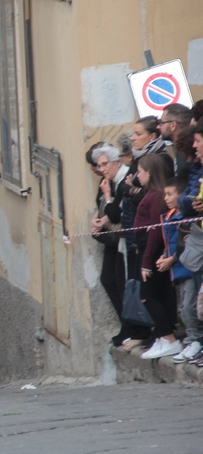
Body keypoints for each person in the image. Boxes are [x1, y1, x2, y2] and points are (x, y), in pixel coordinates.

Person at [90, 144, 142, 346]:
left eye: (104, 164)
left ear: (117, 161)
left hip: (123, 238)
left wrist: (108, 200)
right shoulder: (107, 180)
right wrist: (96, 220)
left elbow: (115, 212)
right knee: (110, 280)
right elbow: (101, 205)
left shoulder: (122, 180)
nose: (101, 169)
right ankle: (127, 325)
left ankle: (134, 327)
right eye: (99, 165)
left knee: (124, 282)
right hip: (112, 238)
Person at [134, 154, 180, 359]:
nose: (137, 175)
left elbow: (154, 231)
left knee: (147, 296)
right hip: (150, 251)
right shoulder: (153, 194)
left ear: (149, 172)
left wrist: (145, 262)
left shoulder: (154, 196)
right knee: (159, 295)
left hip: (150, 252)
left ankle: (169, 339)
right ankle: (163, 337)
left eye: (140, 171)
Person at [157, 178, 201, 363]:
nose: (166, 198)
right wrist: (163, 255)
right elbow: (170, 243)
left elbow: (183, 244)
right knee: (184, 307)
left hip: (187, 267)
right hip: (178, 269)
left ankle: (196, 340)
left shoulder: (185, 218)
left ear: (181, 196)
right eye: (165, 194)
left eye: (170, 194)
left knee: (190, 307)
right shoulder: (170, 216)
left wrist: (171, 259)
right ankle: (192, 340)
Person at [159, 103, 193, 179]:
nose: (158, 126)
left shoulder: (189, 150)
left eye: (161, 122)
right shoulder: (179, 148)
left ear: (173, 125)